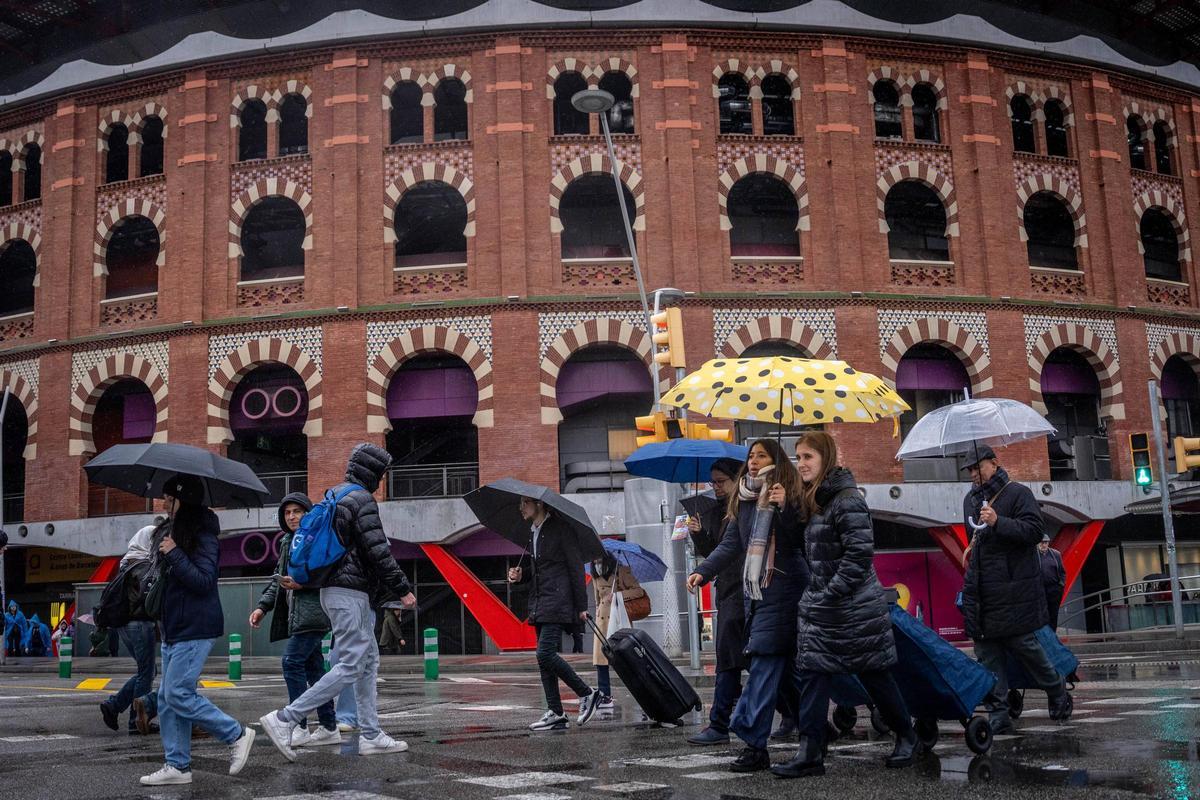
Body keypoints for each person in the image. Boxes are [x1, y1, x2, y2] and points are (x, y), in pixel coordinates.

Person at [773, 432, 922, 778]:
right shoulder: (815, 499)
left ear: (826, 458)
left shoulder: (846, 499)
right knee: (812, 675)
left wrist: (829, 593)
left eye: (808, 456)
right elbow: (799, 545)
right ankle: (811, 752)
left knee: (875, 676)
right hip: (824, 608)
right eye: (798, 458)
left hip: (853, 608)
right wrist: (784, 509)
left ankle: (907, 734)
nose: (802, 464)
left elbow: (858, 555)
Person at [259, 443, 417, 760]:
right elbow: (377, 550)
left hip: (335, 592)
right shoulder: (361, 500)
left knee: (368, 663)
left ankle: (371, 734)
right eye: (381, 474)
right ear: (372, 473)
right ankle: (284, 718)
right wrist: (403, 588)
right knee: (350, 665)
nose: (382, 480)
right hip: (351, 594)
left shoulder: (336, 495)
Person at [686, 439, 808, 772]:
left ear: (776, 460)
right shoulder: (743, 497)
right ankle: (810, 729)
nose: (753, 462)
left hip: (786, 588)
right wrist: (701, 570)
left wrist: (786, 510)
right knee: (781, 667)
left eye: (761, 456)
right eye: (751, 456)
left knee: (766, 661)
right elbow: (731, 544)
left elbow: (799, 540)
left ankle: (755, 743)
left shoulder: (791, 492)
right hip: (755, 592)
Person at [140, 475, 255, 786]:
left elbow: (204, 581)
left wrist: (175, 553)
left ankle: (237, 734)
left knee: (177, 693)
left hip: (195, 625)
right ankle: (177, 765)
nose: (164, 504)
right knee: (165, 698)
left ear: (184, 501)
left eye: (170, 499)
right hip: (174, 627)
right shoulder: (172, 532)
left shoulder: (203, 535)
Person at [959, 446, 1072, 733]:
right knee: (987, 654)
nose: (973, 474)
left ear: (994, 463)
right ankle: (999, 711)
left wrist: (998, 522)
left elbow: (1034, 531)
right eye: (970, 470)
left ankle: (1056, 688)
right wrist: (971, 547)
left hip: (1013, 590)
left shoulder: (1018, 493)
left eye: (977, 467)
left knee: (1026, 647)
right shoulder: (970, 501)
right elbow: (977, 536)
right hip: (982, 589)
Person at [251, 492, 340, 748]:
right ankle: (328, 726)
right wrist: (262, 607)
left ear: (308, 514)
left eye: (297, 511)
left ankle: (298, 724)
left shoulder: (315, 539)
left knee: (291, 663)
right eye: (287, 512)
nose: (291, 516)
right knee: (314, 672)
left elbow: (326, 573)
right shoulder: (288, 541)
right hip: (298, 614)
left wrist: (303, 583)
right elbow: (279, 580)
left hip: (312, 614)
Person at [507, 495, 603, 732]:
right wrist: (521, 576)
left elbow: (575, 568)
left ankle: (587, 693)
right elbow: (539, 570)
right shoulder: (533, 532)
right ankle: (556, 712)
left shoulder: (561, 529)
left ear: (539, 504)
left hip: (557, 600)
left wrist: (581, 606)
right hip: (540, 601)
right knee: (543, 660)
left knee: (545, 653)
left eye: (524, 503)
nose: (521, 507)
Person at [685, 458, 747, 745]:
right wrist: (698, 536)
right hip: (730, 592)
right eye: (713, 482)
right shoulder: (721, 511)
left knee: (735, 660)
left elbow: (729, 550)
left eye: (721, 481)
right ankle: (722, 722)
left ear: (737, 480)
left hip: (744, 593)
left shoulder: (745, 510)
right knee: (743, 660)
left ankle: (720, 723)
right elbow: (717, 552)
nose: (716, 487)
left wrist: (702, 571)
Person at [100, 525, 158, 734]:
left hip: (124, 625)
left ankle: (113, 706)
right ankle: (135, 720)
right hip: (140, 624)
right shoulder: (144, 566)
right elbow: (148, 600)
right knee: (146, 673)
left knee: (147, 671)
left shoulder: (127, 563)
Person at [589, 550, 646, 712]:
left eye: (598, 557)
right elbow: (597, 600)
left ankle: (642, 693)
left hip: (619, 619)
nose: (595, 561)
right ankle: (605, 696)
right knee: (601, 660)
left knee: (627, 659)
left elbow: (638, 591)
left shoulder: (621, 570)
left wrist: (617, 595)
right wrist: (597, 611)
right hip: (602, 622)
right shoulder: (595, 575)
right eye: (593, 559)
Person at [1038, 534, 1066, 631]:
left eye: (1045, 542)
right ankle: (1044, 636)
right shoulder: (1033, 555)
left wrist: (1061, 584)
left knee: (1053, 614)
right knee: (1042, 614)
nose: (1044, 544)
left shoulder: (1056, 554)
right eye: (1042, 542)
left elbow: (1062, 572)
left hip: (1054, 589)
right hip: (1040, 590)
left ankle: (1052, 635)